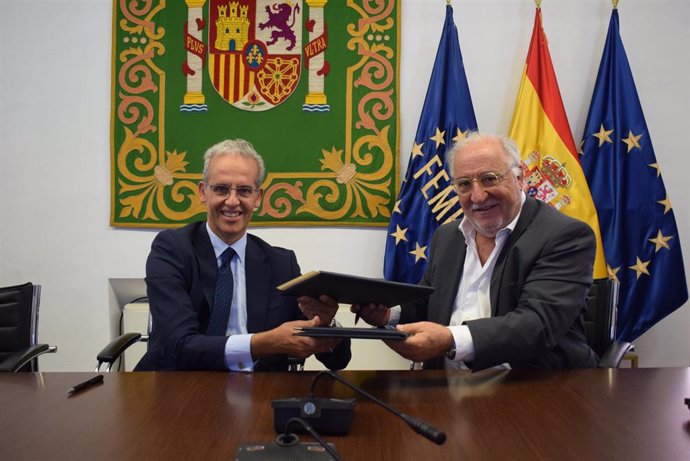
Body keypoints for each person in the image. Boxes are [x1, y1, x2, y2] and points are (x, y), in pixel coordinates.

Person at [354, 132, 598, 371]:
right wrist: (388, 315)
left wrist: (451, 340)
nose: (478, 196)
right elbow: (429, 304)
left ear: (520, 177)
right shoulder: (447, 236)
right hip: (446, 388)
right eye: (464, 184)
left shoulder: (565, 236)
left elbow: (537, 324)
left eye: (489, 178)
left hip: (536, 388)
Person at [136, 139, 350, 371]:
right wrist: (262, 344)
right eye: (221, 189)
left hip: (259, 393)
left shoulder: (281, 264)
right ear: (202, 192)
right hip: (180, 387)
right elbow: (178, 346)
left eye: (245, 191)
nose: (232, 201)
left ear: (258, 197)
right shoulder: (172, 250)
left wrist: (326, 323)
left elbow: (337, 361)